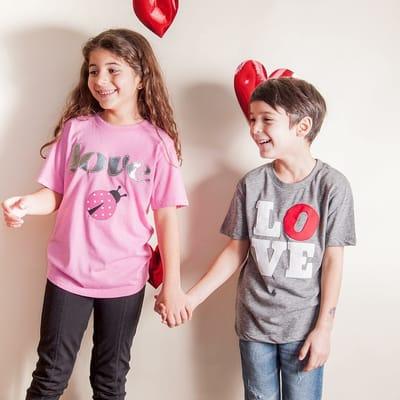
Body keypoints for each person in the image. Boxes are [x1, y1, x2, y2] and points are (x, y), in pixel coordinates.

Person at [2, 28, 190, 400]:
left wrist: (173, 284)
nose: (100, 80)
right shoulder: (77, 131)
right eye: (93, 70)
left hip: (125, 278)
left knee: (110, 380)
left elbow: (166, 218)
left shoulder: (157, 144)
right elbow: (54, 194)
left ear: (140, 77)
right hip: (68, 274)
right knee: (50, 376)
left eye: (113, 69)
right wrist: (25, 203)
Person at [159, 77, 356, 399]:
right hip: (254, 324)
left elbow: (333, 261)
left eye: (266, 119)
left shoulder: (332, 186)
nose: (254, 128)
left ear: (302, 126)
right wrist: (190, 298)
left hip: (303, 328)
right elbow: (236, 251)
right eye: (252, 119)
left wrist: (324, 329)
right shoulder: (252, 184)